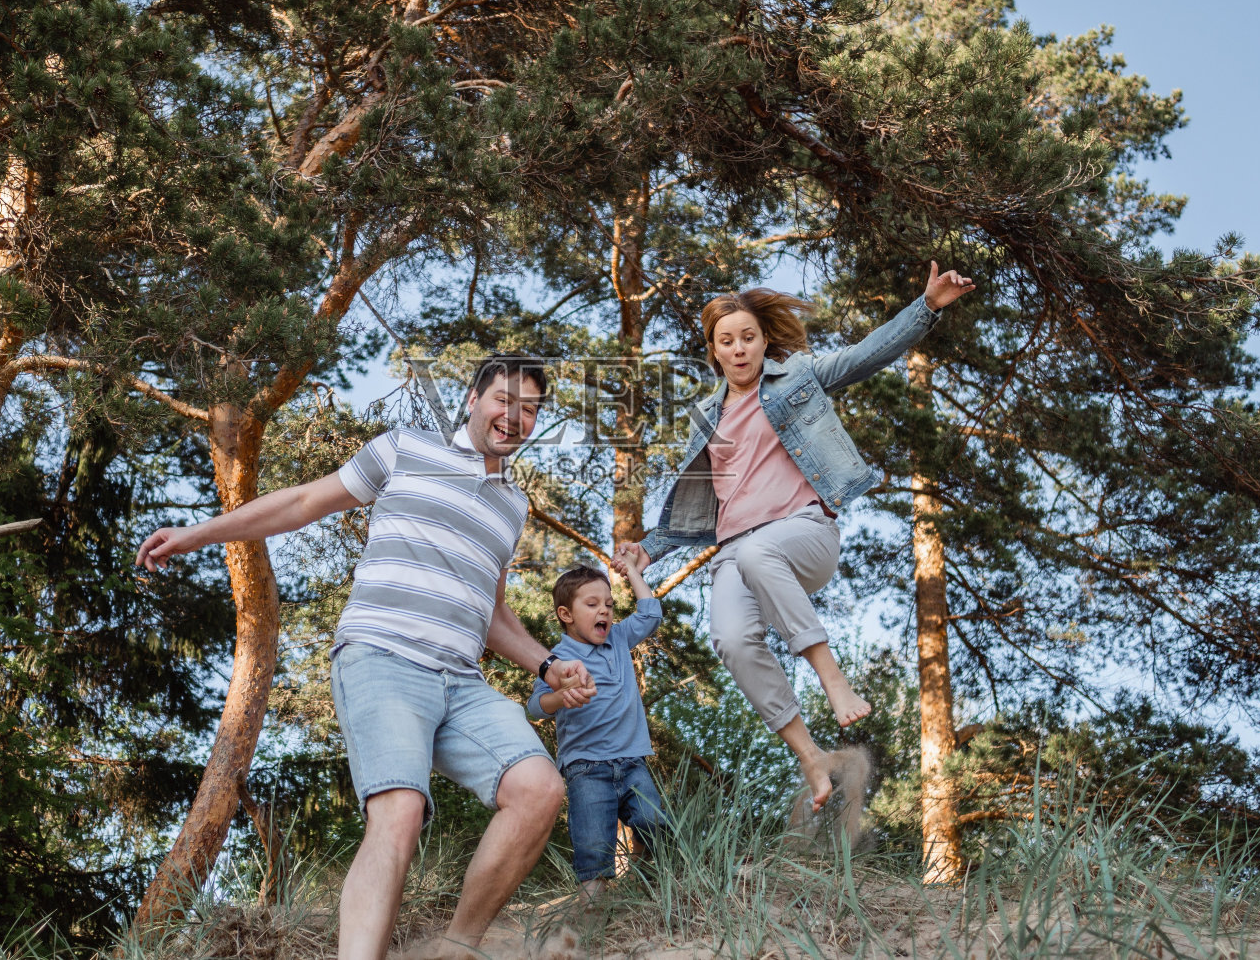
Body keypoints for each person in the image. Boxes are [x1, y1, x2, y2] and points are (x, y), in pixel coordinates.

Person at [136, 354, 594, 960]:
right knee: (399, 813)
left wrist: (545, 663)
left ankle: (455, 948)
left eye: (530, 409)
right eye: (503, 400)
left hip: (462, 680)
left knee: (539, 788)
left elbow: (492, 613)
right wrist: (198, 533)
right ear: (473, 399)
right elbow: (301, 503)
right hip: (383, 658)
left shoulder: (512, 508)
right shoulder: (404, 448)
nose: (514, 416)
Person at [615, 264, 975, 811]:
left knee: (761, 549)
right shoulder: (705, 418)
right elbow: (698, 508)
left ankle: (833, 681)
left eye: (748, 337)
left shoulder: (797, 379)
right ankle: (812, 758)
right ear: (713, 350)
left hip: (803, 534)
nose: (739, 349)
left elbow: (865, 355)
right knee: (732, 640)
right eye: (726, 341)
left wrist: (926, 305)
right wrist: (648, 549)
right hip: (735, 552)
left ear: (763, 341)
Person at [527, 553, 666, 902]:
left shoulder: (618, 638)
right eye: (592, 604)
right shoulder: (558, 660)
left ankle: (646, 880)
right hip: (586, 768)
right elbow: (534, 706)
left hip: (633, 761)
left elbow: (651, 613)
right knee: (592, 847)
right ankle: (591, 914)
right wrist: (561, 696)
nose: (604, 610)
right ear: (566, 615)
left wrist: (632, 571)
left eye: (608, 603)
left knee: (655, 821)